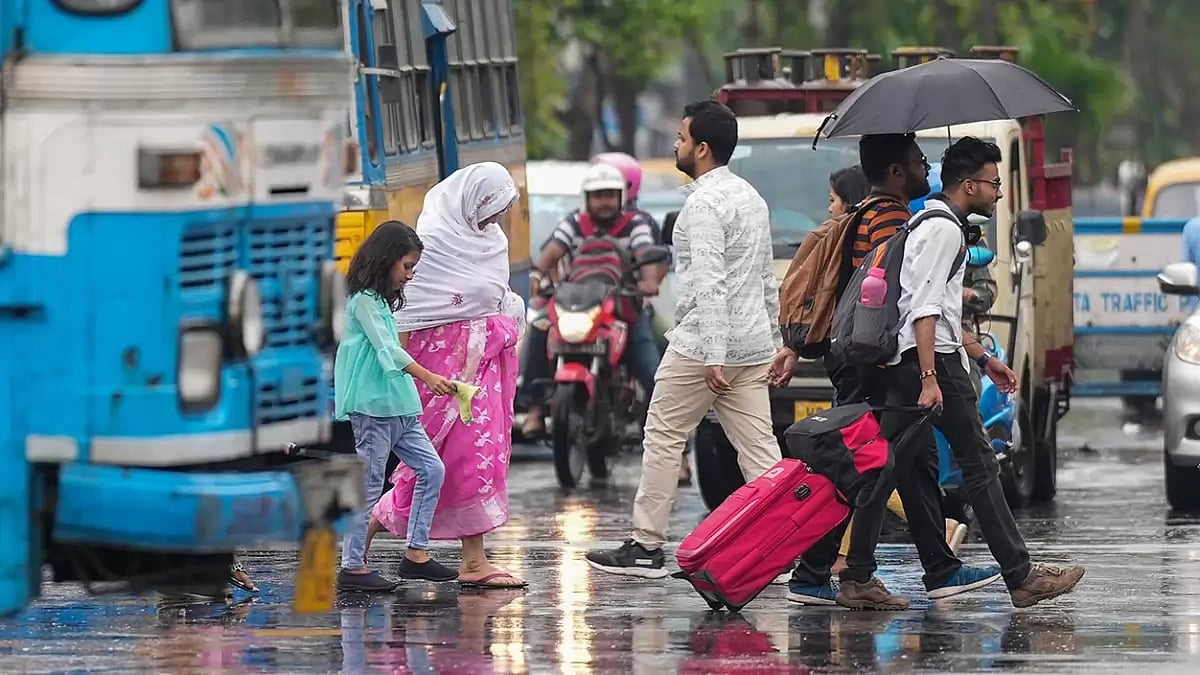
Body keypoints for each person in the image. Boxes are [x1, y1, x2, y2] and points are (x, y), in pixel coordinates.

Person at [839, 137, 1086, 610]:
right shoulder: (943, 230)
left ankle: (856, 573)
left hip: (931, 361)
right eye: (994, 184)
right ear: (968, 185)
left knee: (887, 468)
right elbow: (924, 310)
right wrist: (931, 376)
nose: (997, 193)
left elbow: (943, 312)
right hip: (929, 366)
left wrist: (983, 358)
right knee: (976, 466)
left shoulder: (935, 222)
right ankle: (1020, 575)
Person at [585, 99, 783, 578]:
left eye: (681, 137)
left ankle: (646, 545)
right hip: (752, 344)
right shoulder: (751, 197)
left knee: (663, 435)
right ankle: (786, 545)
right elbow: (764, 278)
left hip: (703, 346)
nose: (676, 143)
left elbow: (710, 281)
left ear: (703, 148)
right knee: (760, 452)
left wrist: (713, 351)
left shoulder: (702, 205)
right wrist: (774, 338)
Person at [772, 135, 936, 605]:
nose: (926, 167)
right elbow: (888, 291)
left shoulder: (868, 212)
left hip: (860, 360)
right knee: (862, 468)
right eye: (919, 160)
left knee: (909, 462)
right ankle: (822, 571)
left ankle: (938, 566)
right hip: (874, 364)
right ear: (897, 171)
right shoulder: (888, 217)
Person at [366, 162, 528, 590]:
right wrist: (392, 375)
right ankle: (362, 546)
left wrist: (505, 313)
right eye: (491, 207)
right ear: (470, 200)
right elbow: (407, 313)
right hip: (439, 378)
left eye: (501, 209)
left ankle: (473, 561)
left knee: (475, 462)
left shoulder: (491, 242)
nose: (496, 219)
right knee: (435, 465)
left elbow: (491, 299)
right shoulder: (432, 245)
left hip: (482, 380)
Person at [335, 221, 457, 592]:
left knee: (431, 470)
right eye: (406, 266)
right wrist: (428, 376)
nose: (409, 275)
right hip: (373, 407)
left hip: (399, 406)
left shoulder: (382, 303)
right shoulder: (362, 303)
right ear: (385, 260)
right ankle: (352, 566)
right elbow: (387, 349)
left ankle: (416, 553)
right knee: (370, 485)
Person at [519, 163, 666, 438]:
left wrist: (649, 282)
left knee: (652, 371)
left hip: (624, 309)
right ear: (587, 198)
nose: (604, 202)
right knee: (539, 332)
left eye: (610, 195)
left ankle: (675, 451)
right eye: (598, 196)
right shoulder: (574, 222)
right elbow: (549, 254)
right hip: (575, 307)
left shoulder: (635, 224)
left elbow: (647, 253)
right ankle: (536, 409)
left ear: (621, 197)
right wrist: (537, 276)